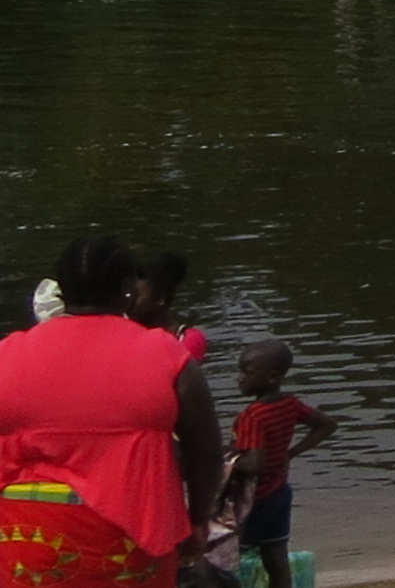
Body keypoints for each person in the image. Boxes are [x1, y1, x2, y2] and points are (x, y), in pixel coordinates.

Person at [0, 237, 223, 588]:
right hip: (134, 538)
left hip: (27, 539)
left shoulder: (8, 353)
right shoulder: (164, 354)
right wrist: (198, 521)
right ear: (127, 289)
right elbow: (205, 452)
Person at [230, 340, 341, 584]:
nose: (239, 379)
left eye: (247, 373)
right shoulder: (290, 404)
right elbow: (327, 425)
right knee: (276, 556)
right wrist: (291, 453)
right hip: (279, 493)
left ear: (272, 377)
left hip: (253, 500)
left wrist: (226, 459)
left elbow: (255, 465)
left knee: (225, 555)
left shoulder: (252, 416)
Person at [121, 252, 206, 365]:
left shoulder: (186, 339)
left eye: (136, 296)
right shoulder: (124, 334)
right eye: (127, 295)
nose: (128, 302)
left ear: (160, 298)